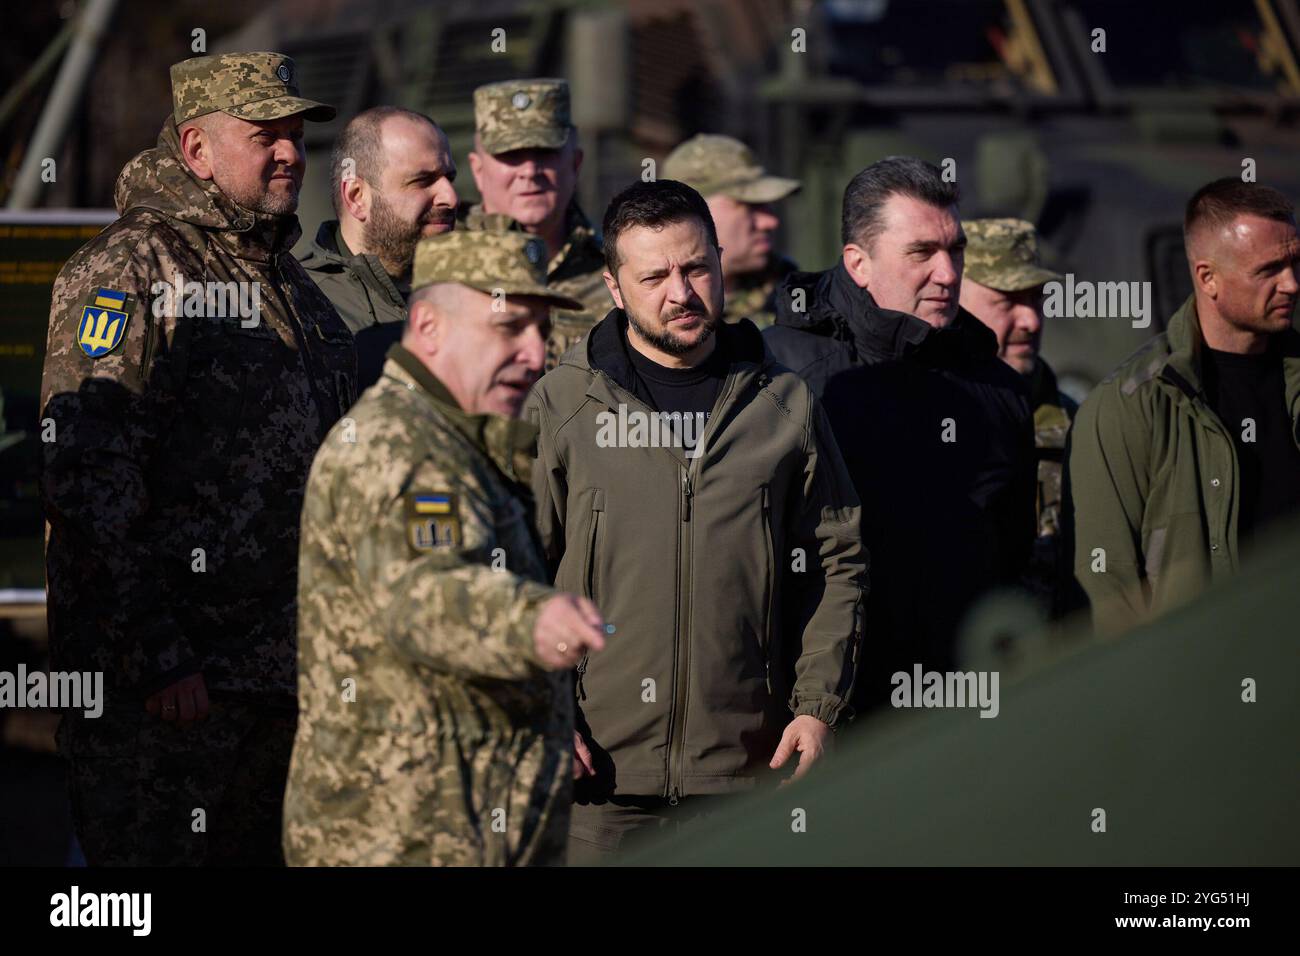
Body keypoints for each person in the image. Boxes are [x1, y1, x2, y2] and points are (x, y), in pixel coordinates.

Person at [39, 53, 354, 865]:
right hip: (171, 699)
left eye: (295, 135)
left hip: (278, 685)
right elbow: (85, 472)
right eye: (265, 135)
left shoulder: (286, 279)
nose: (289, 152)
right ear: (197, 149)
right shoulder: (132, 267)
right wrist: (157, 655)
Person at [526, 179, 867, 863]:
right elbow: (517, 573)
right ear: (615, 288)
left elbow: (837, 561)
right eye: (653, 276)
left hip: (747, 779)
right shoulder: (563, 404)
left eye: (695, 268)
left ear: (719, 262)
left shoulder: (785, 405)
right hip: (600, 787)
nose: (680, 293)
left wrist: (816, 706)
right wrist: (544, 716)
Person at [283, 230, 606, 866]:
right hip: (401, 838)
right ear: (428, 327)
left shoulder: (462, 440)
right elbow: (423, 593)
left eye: (541, 330)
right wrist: (528, 620)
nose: (535, 353)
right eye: (510, 327)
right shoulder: (397, 447)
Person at [764, 157, 1036, 713]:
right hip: (819, 722)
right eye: (921, 253)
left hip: (962, 715)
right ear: (859, 263)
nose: (947, 273)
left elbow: (1015, 560)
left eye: (955, 250)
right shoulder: (776, 375)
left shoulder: (999, 390)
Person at [1069, 178, 1300, 635]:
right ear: (1207, 278)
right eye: (1269, 269)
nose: (1292, 284)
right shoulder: (1130, 406)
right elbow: (1108, 594)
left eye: (1295, 263)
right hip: (1200, 684)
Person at [960, 218, 1075, 616]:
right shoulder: (928, 425)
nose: (1032, 321)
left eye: (1036, 298)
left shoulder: (1077, 424)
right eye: (1008, 300)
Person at [299, 106, 458, 389]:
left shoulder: (473, 291)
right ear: (357, 197)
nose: (450, 197)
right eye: (422, 181)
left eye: (450, 178)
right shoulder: (300, 307)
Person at [463, 78, 611, 367]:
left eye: (545, 153)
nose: (529, 171)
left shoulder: (619, 272)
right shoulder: (439, 264)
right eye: (511, 156)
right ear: (477, 170)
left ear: (575, 164)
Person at [662, 133, 801, 328]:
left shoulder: (791, 292)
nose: (769, 222)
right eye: (749, 205)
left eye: (767, 206)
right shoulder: (622, 313)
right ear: (690, 212)